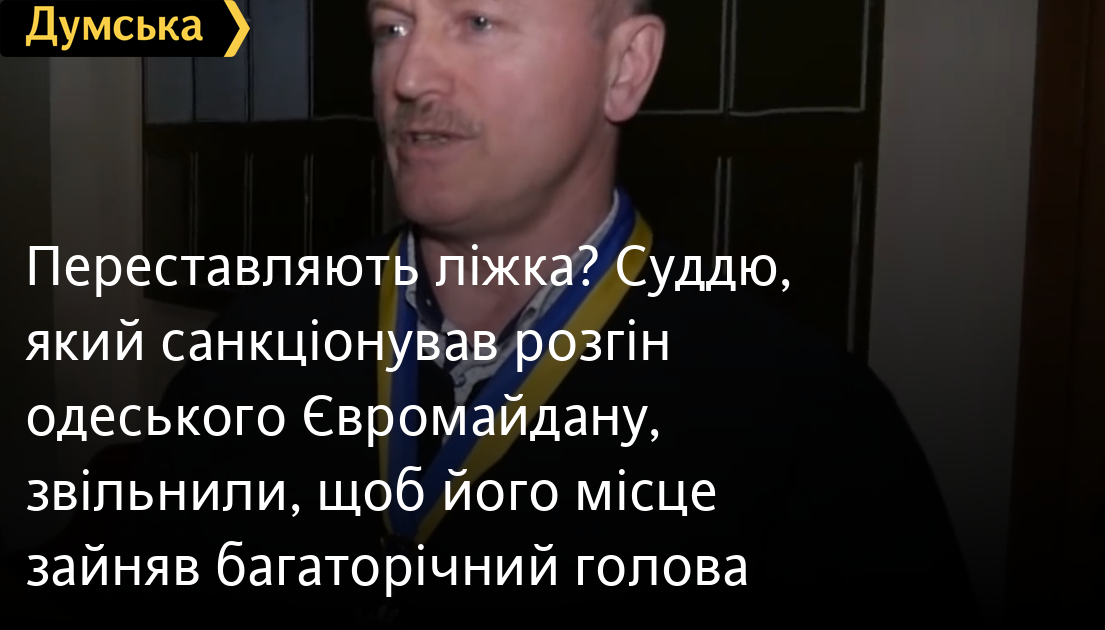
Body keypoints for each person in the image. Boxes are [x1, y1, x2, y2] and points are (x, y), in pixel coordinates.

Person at [10, 0, 980, 626]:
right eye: (392, 27)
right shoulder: (256, 359)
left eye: (476, 22)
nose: (409, 78)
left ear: (626, 68)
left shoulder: (807, 426)